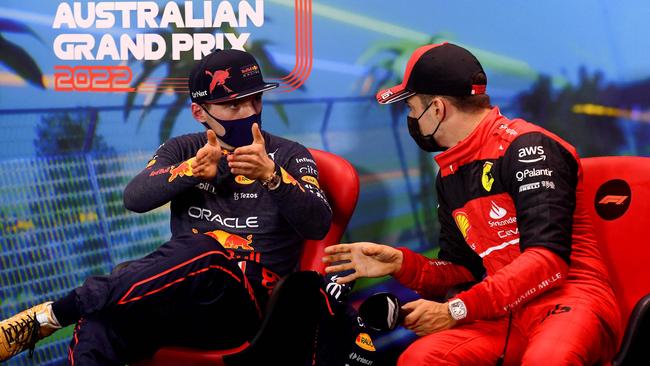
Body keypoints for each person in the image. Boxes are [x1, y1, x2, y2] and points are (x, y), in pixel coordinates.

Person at [0, 49, 333, 365]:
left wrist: (272, 176)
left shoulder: (290, 155)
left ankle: (55, 313)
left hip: (249, 309)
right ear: (200, 111)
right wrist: (188, 171)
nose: (249, 112)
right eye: (233, 105)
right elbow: (135, 198)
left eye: (256, 100)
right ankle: (65, 314)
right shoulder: (183, 149)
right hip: (180, 301)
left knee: (206, 252)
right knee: (100, 324)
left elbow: (318, 224)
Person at [323, 42, 622, 365]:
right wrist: (400, 263)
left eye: (411, 108)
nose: (411, 118)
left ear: (437, 109)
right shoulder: (450, 175)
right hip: (506, 315)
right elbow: (463, 270)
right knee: (420, 359)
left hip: (570, 300)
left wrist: (457, 310)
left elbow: (547, 260)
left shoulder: (528, 148)